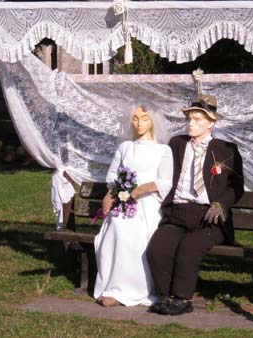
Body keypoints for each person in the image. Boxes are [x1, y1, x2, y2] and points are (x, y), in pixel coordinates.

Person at [146, 93, 244, 316]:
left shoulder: (226, 150)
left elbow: (237, 186)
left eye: (198, 119)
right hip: (178, 213)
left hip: (208, 218)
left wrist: (220, 204)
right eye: (189, 118)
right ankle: (163, 296)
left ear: (211, 122)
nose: (191, 123)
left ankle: (182, 298)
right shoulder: (177, 144)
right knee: (158, 248)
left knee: (188, 249)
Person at [94, 102, 173, 307]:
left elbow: (165, 182)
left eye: (145, 118)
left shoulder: (163, 150)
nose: (139, 123)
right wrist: (114, 192)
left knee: (134, 235)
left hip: (147, 205)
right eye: (136, 118)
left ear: (153, 121)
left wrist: (142, 189)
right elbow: (112, 175)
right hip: (123, 202)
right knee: (115, 230)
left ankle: (135, 289)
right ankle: (113, 287)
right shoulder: (125, 147)